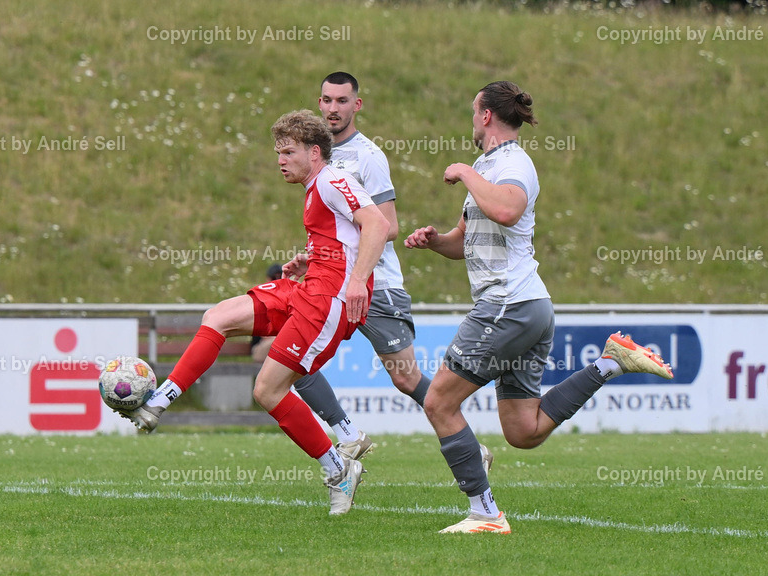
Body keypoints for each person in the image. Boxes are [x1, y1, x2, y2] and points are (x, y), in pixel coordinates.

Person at [404, 81, 673, 533]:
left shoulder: (513, 163)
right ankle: (609, 364)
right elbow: (466, 240)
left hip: (507, 305)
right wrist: (435, 243)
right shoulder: (488, 164)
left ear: (487, 115)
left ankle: (485, 515)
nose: (471, 119)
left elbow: (508, 210)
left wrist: (465, 175)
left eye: (474, 111)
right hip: (528, 307)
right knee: (523, 432)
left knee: (438, 403)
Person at [121, 109, 390, 514]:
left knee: (267, 390)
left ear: (315, 152)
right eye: (277, 152)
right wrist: (311, 259)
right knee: (218, 316)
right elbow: (345, 237)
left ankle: (337, 470)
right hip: (312, 287)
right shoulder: (317, 185)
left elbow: (377, 225)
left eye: (288, 151)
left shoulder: (333, 179)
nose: (280, 160)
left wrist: (356, 281)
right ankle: (159, 401)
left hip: (330, 301)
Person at [289, 71, 492, 470]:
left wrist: (358, 276)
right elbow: (333, 225)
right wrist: (313, 258)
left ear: (356, 105)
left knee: (405, 378)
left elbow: (389, 224)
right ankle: (348, 436)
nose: (333, 108)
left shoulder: (368, 156)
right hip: (331, 283)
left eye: (342, 101)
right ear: (319, 103)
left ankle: (471, 447)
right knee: (291, 358)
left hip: (375, 285)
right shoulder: (317, 156)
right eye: (327, 100)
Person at [249, 263, 283, 363]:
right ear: (268, 279)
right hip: (261, 348)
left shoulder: (288, 298)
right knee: (282, 343)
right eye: (274, 278)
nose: (277, 281)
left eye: (280, 278)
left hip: (278, 349)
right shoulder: (261, 297)